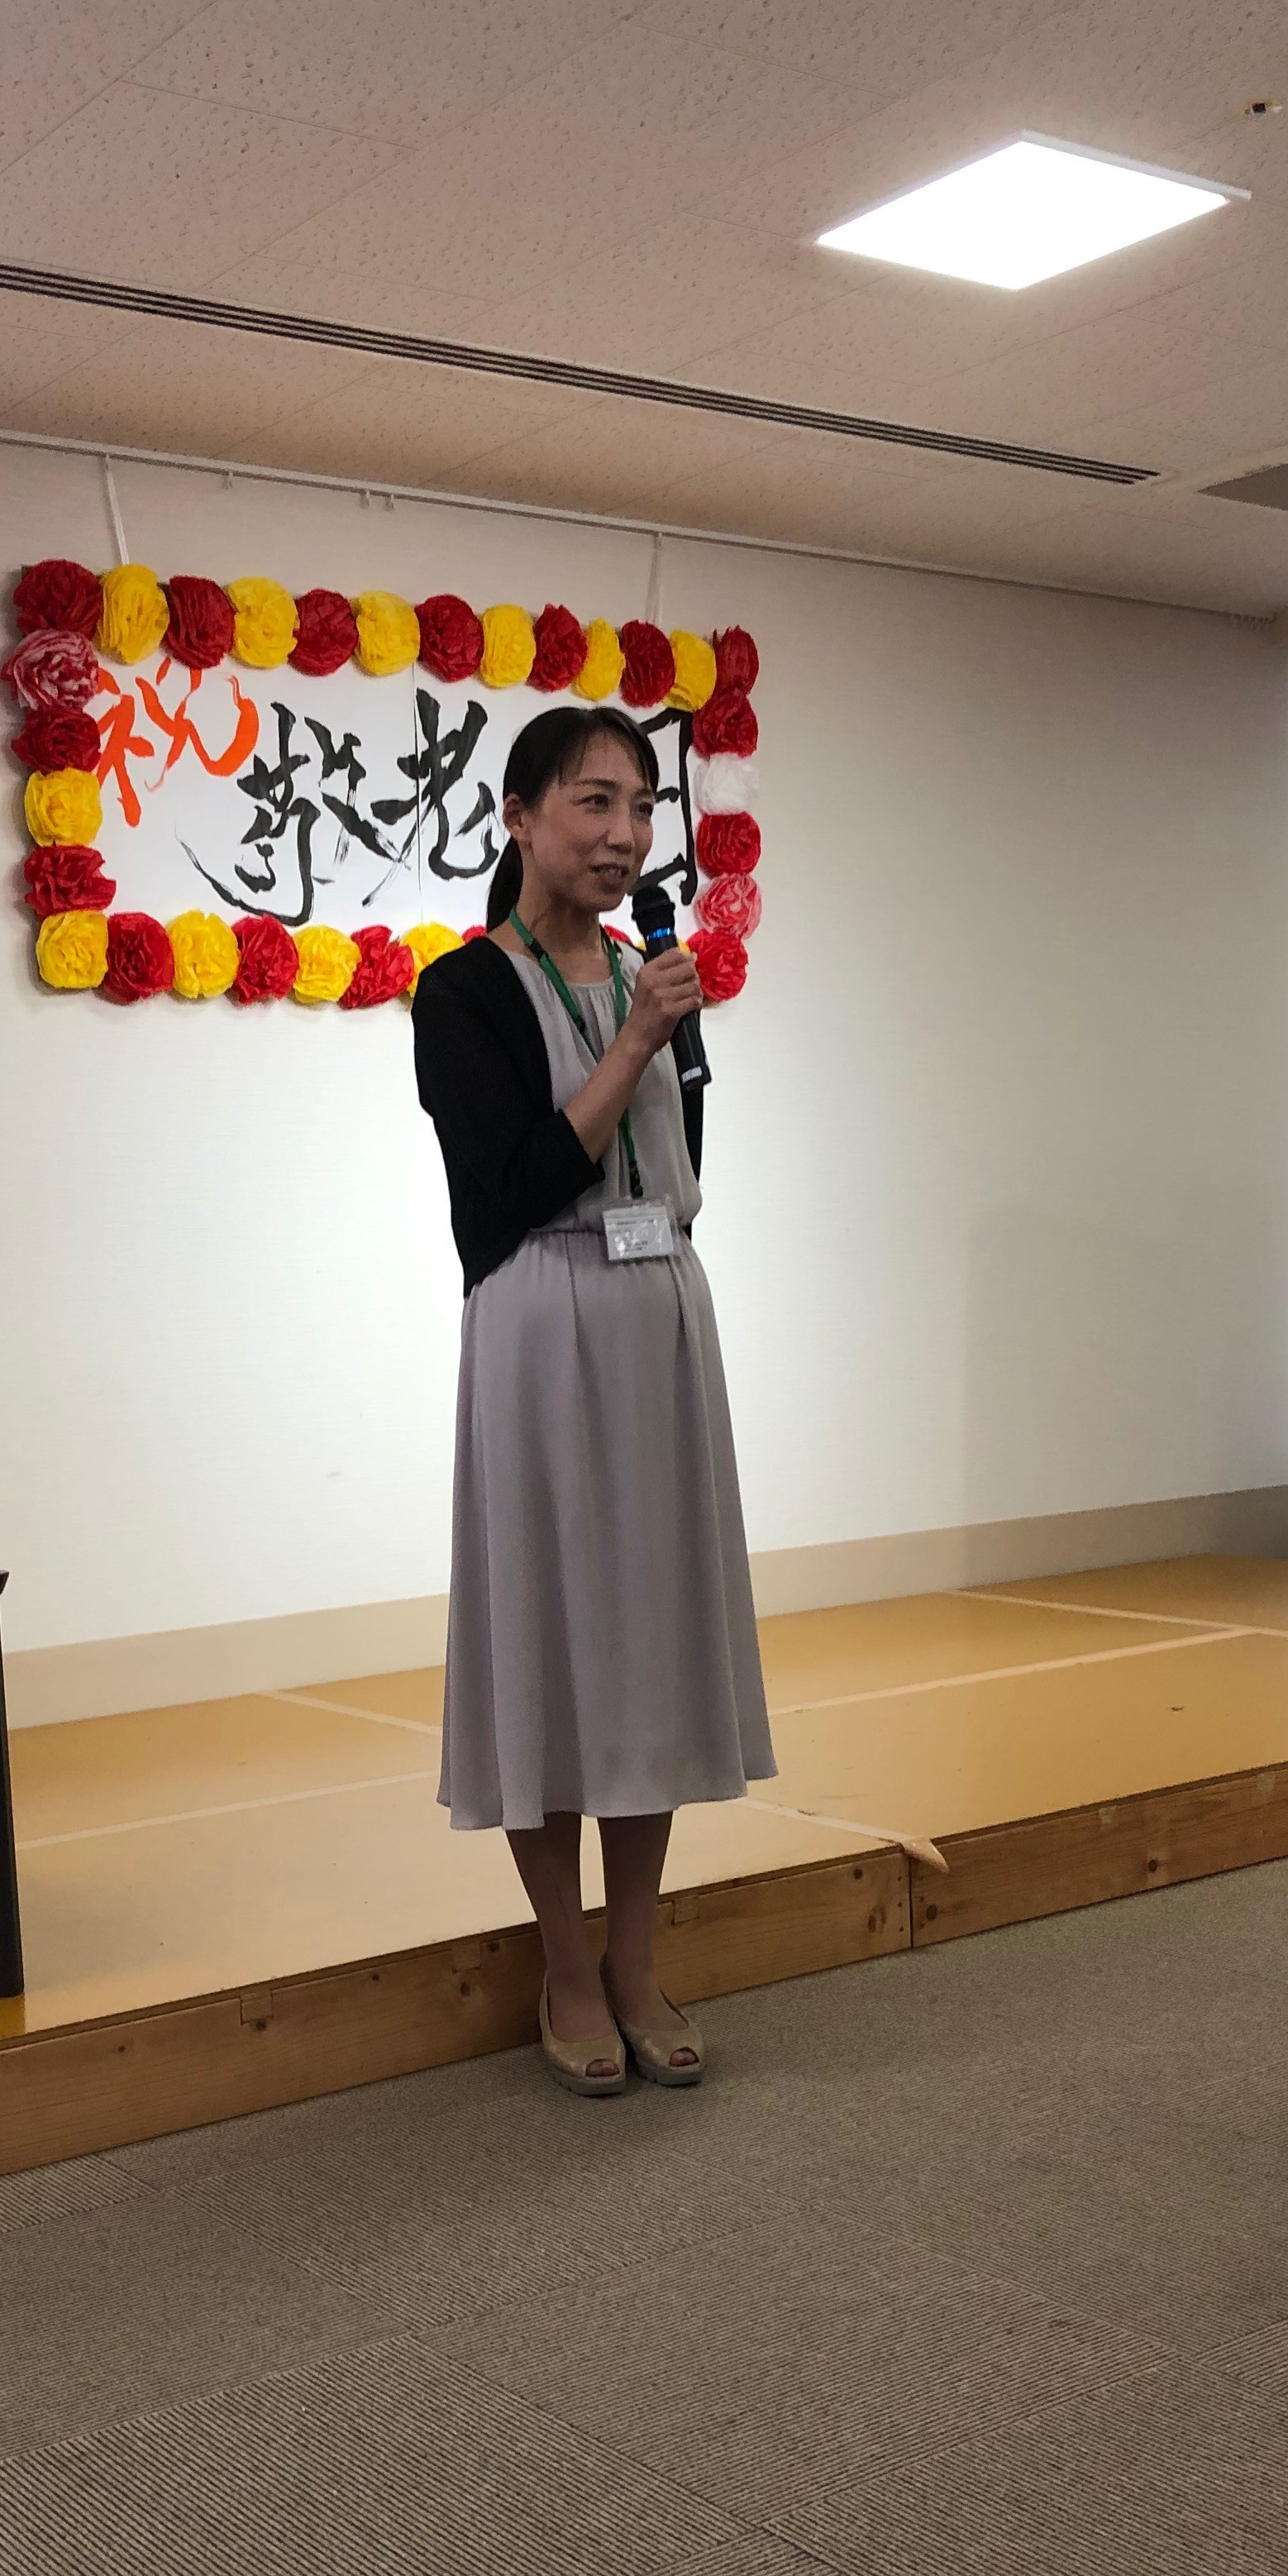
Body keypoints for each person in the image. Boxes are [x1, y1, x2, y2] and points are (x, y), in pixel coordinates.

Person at [411, 704, 775, 2095]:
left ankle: (636, 1956)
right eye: (592, 803)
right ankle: (564, 1964)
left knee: (650, 1644)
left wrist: (649, 1023)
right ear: (518, 817)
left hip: (658, 1313)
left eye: (639, 807)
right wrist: (633, 1041)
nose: (624, 835)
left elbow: (684, 1168)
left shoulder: (647, 972)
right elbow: (504, 1191)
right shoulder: (464, 993)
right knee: (551, 1638)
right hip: (541, 1310)